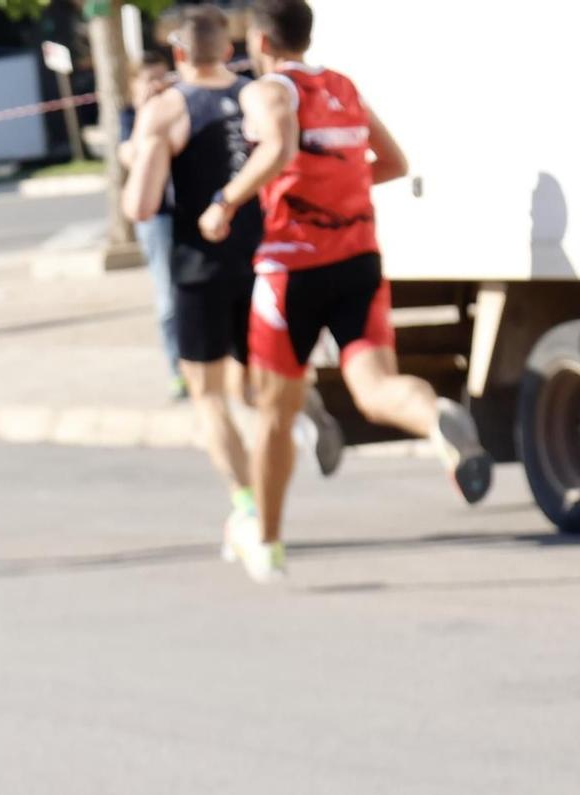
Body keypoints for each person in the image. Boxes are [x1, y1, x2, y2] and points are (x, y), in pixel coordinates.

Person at [200, 0, 492, 583]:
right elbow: (392, 161)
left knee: (276, 417)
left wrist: (224, 202)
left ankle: (271, 542)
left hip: (291, 271)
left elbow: (278, 148)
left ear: (261, 41)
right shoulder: (342, 86)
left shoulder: (268, 90)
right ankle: (436, 416)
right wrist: (341, 185)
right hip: (358, 258)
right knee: (376, 387)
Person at [124, 5, 262, 557]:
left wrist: (140, 149)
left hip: (199, 266)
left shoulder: (170, 107)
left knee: (208, 395)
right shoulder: (258, 95)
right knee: (255, 384)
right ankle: (304, 415)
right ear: (228, 50)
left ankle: (247, 504)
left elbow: (141, 204)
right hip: (258, 255)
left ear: (180, 55)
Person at [120, 47, 184, 399]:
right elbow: (129, 154)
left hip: (187, 210)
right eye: (149, 79)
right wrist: (147, 112)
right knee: (167, 296)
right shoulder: (131, 117)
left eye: (163, 77)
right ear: (133, 85)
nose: (158, 85)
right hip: (156, 215)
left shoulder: (179, 108)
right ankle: (177, 370)